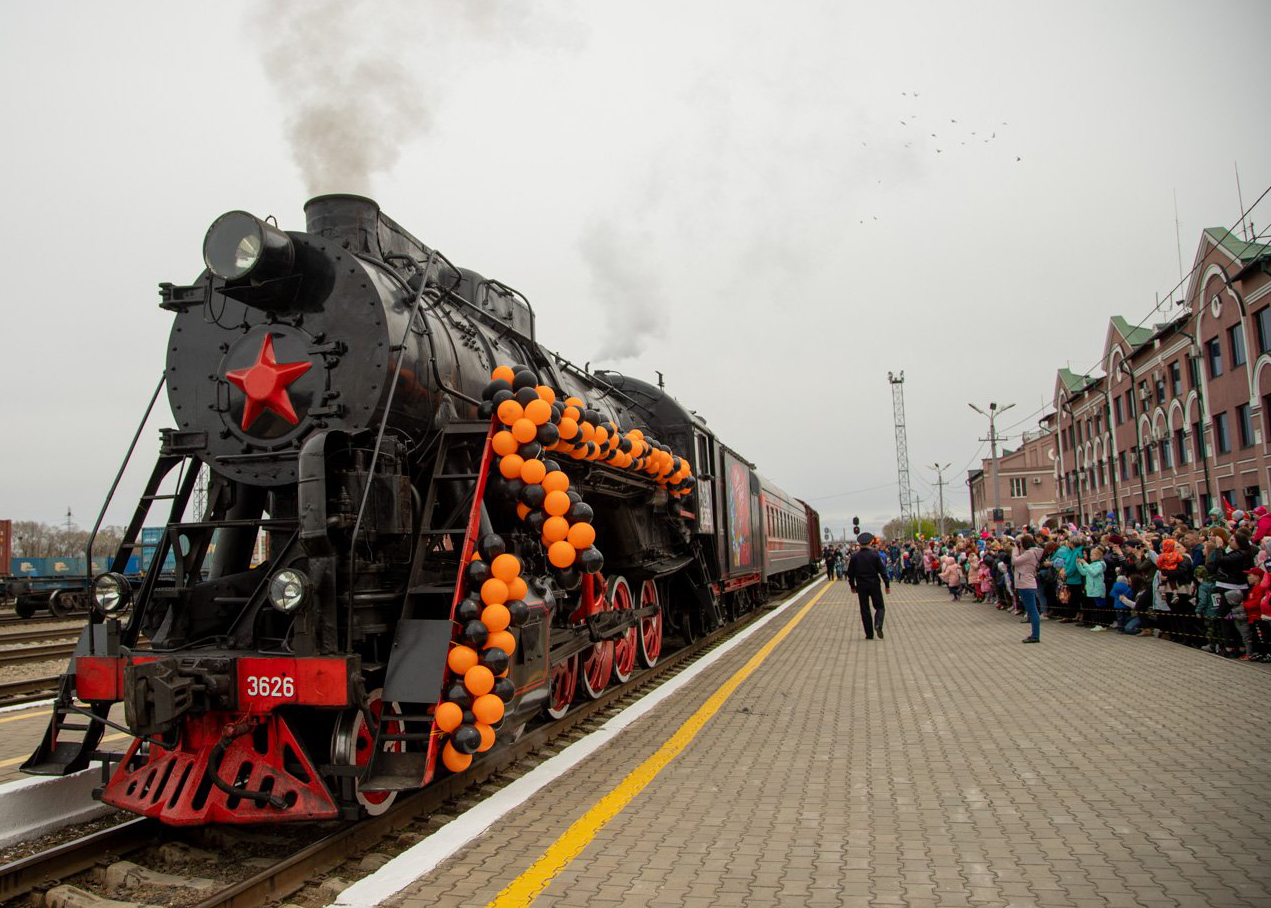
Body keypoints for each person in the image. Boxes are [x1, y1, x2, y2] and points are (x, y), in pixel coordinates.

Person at [847, 532, 890, 640]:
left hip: (861, 586)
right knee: (880, 607)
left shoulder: (855, 557)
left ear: (859, 544)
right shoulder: (875, 555)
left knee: (865, 609)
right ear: (871, 542)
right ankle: (878, 624)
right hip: (874, 584)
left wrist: (852, 586)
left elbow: (850, 573)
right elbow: (883, 571)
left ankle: (869, 634)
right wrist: (887, 585)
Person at [1012, 533, 1044, 643]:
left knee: (1032, 610)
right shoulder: (1031, 552)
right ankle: (1035, 634)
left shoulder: (1030, 553)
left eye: (1020, 544)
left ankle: (1035, 635)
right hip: (1025, 583)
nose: (1019, 546)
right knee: (1031, 610)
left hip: (1026, 583)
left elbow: (1015, 561)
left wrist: (1015, 549)